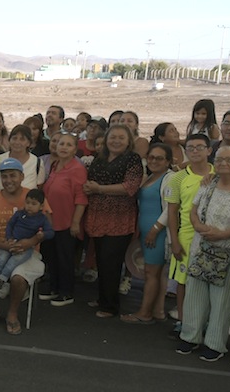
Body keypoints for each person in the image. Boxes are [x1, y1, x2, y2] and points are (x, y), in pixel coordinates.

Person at [176, 146, 230, 361]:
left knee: (222, 301)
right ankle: (189, 337)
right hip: (202, 249)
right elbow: (193, 210)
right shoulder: (208, 183)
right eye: (220, 159)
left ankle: (214, 344)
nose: (224, 163)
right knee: (194, 296)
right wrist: (198, 226)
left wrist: (224, 234)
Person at [0, 159, 47, 335]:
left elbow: (46, 227)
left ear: (22, 176)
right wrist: (4, 246)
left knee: (17, 278)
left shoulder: (33, 196)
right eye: (4, 176)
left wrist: (29, 243)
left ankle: (13, 313)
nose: (9, 180)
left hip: (28, 251)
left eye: (13, 175)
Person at [83, 124, 144, 318]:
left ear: (128, 141)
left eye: (121, 138)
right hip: (97, 216)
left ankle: (111, 306)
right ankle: (103, 299)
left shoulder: (132, 159)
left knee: (112, 262)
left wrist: (99, 189)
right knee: (101, 260)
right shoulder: (100, 158)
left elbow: (130, 187)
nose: (116, 141)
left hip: (119, 218)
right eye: (113, 137)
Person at [121, 144, 175, 324]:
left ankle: (144, 313)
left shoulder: (170, 179)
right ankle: (157, 311)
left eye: (159, 158)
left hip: (156, 234)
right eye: (151, 157)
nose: (154, 161)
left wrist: (154, 230)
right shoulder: (150, 177)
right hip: (146, 232)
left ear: (168, 161)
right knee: (156, 274)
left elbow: (170, 210)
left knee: (151, 273)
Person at [167, 134, 214, 338]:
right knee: (183, 282)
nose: (195, 151)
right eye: (191, 147)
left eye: (200, 147)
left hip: (212, 238)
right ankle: (183, 320)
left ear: (209, 150)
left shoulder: (218, 174)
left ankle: (205, 322)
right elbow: (172, 212)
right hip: (186, 237)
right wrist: (174, 241)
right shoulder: (178, 177)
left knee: (207, 283)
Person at [42, 132, 88, 307]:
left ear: (75, 149)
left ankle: (65, 292)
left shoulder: (77, 168)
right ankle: (54, 287)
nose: (64, 147)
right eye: (61, 143)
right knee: (52, 257)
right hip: (50, 220)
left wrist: (76, 222)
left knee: (65, 258)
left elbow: (81, 198)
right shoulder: (55, 165)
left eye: (69, 145)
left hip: (67, 222)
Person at [0, 187, 52, 289]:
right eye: (28, 203)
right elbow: (10, 225)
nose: (29, 206)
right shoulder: (20, 214)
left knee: (14, 261)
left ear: (41, 206)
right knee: (3, 256)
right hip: (13, 242)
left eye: (33, 204)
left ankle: (2, 279)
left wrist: (42, 235)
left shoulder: (42, 219)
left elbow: (51, 232)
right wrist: (9, 238)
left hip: (26, 248)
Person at [0, 124, 45, 190]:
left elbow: (39, 187)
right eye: (14, 138)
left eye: (22, 139)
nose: (17, 142)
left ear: (28, 143)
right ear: (9, 140)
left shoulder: (37, 163)